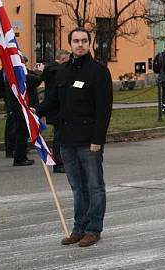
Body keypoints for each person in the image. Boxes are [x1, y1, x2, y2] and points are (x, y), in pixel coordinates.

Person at [36, 28, 113, 247]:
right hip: (67, 140)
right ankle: (79, 228)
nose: (80, 44)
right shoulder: (64, 71)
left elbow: (104, 109)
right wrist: (34, 113)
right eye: (76, 41)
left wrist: (98, 139)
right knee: (77, 187)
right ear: (70, 44)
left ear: (90, 43)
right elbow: (53, 100)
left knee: (95, 186)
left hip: (89, 140)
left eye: (84, 40)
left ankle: (93, 229)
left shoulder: (98, 71)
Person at [36, 49, 71, 173]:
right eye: (67, 61)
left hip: (55, 108)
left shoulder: (49, 69)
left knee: (60, 136)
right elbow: (55, 94)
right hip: (58, 108)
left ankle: (61, 161)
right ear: (62, 59)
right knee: (59, 137)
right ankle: (58, 162)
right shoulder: (57, 71)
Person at [5, 57, 43, 166]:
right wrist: (40, 73)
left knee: (20, 132)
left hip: (17, 108)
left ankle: (19, 155)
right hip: (21, 108)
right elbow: (35, 81)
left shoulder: (13, 74)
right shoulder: (18, 75)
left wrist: (35, 72)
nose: (25, 66)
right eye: (24, 64)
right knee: (22, 133)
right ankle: (20, 157)